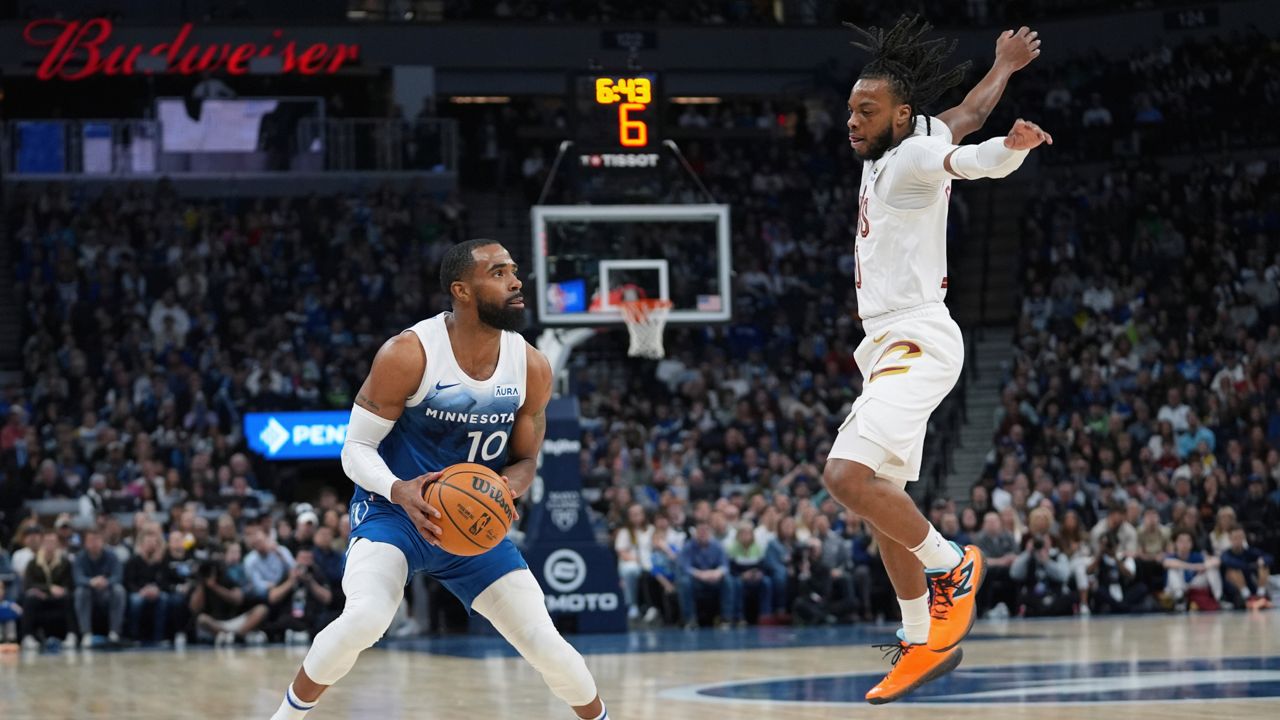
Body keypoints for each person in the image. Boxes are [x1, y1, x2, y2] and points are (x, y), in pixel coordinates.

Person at [269, 240, 608, 720]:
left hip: (472, 522)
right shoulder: (409, 353)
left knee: (545, 643)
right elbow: (355, 449)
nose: (515, 281)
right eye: (498, 273)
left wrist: (505, 488)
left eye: (514, 270)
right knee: (366, 618)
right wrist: (398, 490)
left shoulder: (531, 366)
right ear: (461, 290)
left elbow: (527, 461)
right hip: (395, 514)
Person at [822, 17, 1046, 704]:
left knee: (844, 474)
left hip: (916, 338)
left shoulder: (917, 157)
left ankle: (953, 566)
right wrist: (1004, 66)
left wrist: (1007, 154)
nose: (853, 120)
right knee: (885, 505)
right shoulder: (908, 142)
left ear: (900, 114)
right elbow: (967, 114)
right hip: (890, 344)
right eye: (851, 108)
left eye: (866, 110)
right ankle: (922, 640)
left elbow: (967, 157)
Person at [21, 531, 75, 650]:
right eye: (47, 542)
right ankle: (28, 636)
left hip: (58, 599)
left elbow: (69, 584)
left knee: (68, 597)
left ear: (57, 544)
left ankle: (71, 634)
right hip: (40, 599)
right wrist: (48, 589)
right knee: (30, 598)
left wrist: (59, 591)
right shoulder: (33, 563)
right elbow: (28, 584)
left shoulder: (65, 562)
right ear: (42, 543)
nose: (49, 545)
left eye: (52, 542)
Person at [72, 528, 125, 647]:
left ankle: (114, 633)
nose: (94, 543)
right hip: (88, 593)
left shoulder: (111, 555)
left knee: (119, 590)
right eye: (91, 540)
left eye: (97, 539)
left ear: (102, 541)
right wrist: (91, 581)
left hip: (106, 592)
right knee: (80, 591)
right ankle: (86, 634)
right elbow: (77, 578)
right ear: (85, 543)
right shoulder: (80, 557)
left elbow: (118, 576)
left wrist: (106, 582)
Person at [677, 520, 735, 629]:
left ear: (710, 532)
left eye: (705, 530)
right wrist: (700, 574)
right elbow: (685, 567)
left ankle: (726, 619)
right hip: (696, 580)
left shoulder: (717, 546)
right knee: (685, 582)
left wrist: (716, 573)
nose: (703, 533)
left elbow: (725, 566)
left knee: (728, 581)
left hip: (713, 579)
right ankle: (690, 620)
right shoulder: (688, 547)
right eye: (700, 530)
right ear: (695, 532)